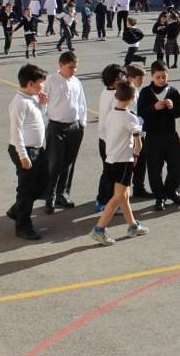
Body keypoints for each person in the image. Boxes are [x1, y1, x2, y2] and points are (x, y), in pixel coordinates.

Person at [91, 81, 149, 245]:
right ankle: (99, 229)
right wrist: (136, 154)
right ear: (132, 98)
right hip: (123, 161)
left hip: (111, 159)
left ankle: (132, 225)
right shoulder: (130, 118)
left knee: (124, 195)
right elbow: (138, 144)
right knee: (118, 197)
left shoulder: (112, 113)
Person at [7, 63, 49, 240]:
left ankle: (17, 210)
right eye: (41, 83)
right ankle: (23, 226)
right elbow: (16, 131)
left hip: (37, 149)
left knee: (40, 185)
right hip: (25, 150)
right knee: (26, 189)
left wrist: (43, 105)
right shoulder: (19, 102)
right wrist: (23, 155)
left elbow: (39, 120)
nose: (43, 86)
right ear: (30, 83)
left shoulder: (32, 99)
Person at [137, 61, 180, 211]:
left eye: (164, 77)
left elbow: (179, 112)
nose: (161, 80)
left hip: (170, 134)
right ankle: (159, 196)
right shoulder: (146, 92)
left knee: (177, 162)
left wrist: (172, 107)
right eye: (158, 77)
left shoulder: (173, 91)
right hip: (152, 136)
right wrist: (153, 107)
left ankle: (171, 190)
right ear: (152, 76)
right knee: (154, 168)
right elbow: (141, 112)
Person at [42, 51, 87, 213]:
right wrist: (46, 124)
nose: (74, 70)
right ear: (61, 65)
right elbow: (43, 104)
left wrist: (82, 123)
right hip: (56, 126)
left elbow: (81, 103)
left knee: (68, 162)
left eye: (75, 67)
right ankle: (50, 195)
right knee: (55, 161)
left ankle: (63, 193)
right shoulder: (51, 81)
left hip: (73, 126)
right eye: (70, 67)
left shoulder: (76, 82)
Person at [93, 64, 127, 214]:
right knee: (114, 174)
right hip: (112, 141)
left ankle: (101, 199)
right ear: (116, 79)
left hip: (104, 138)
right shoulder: (116, 96)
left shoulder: (105, 92)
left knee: (107, 171)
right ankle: (110, 202)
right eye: (123, 77)